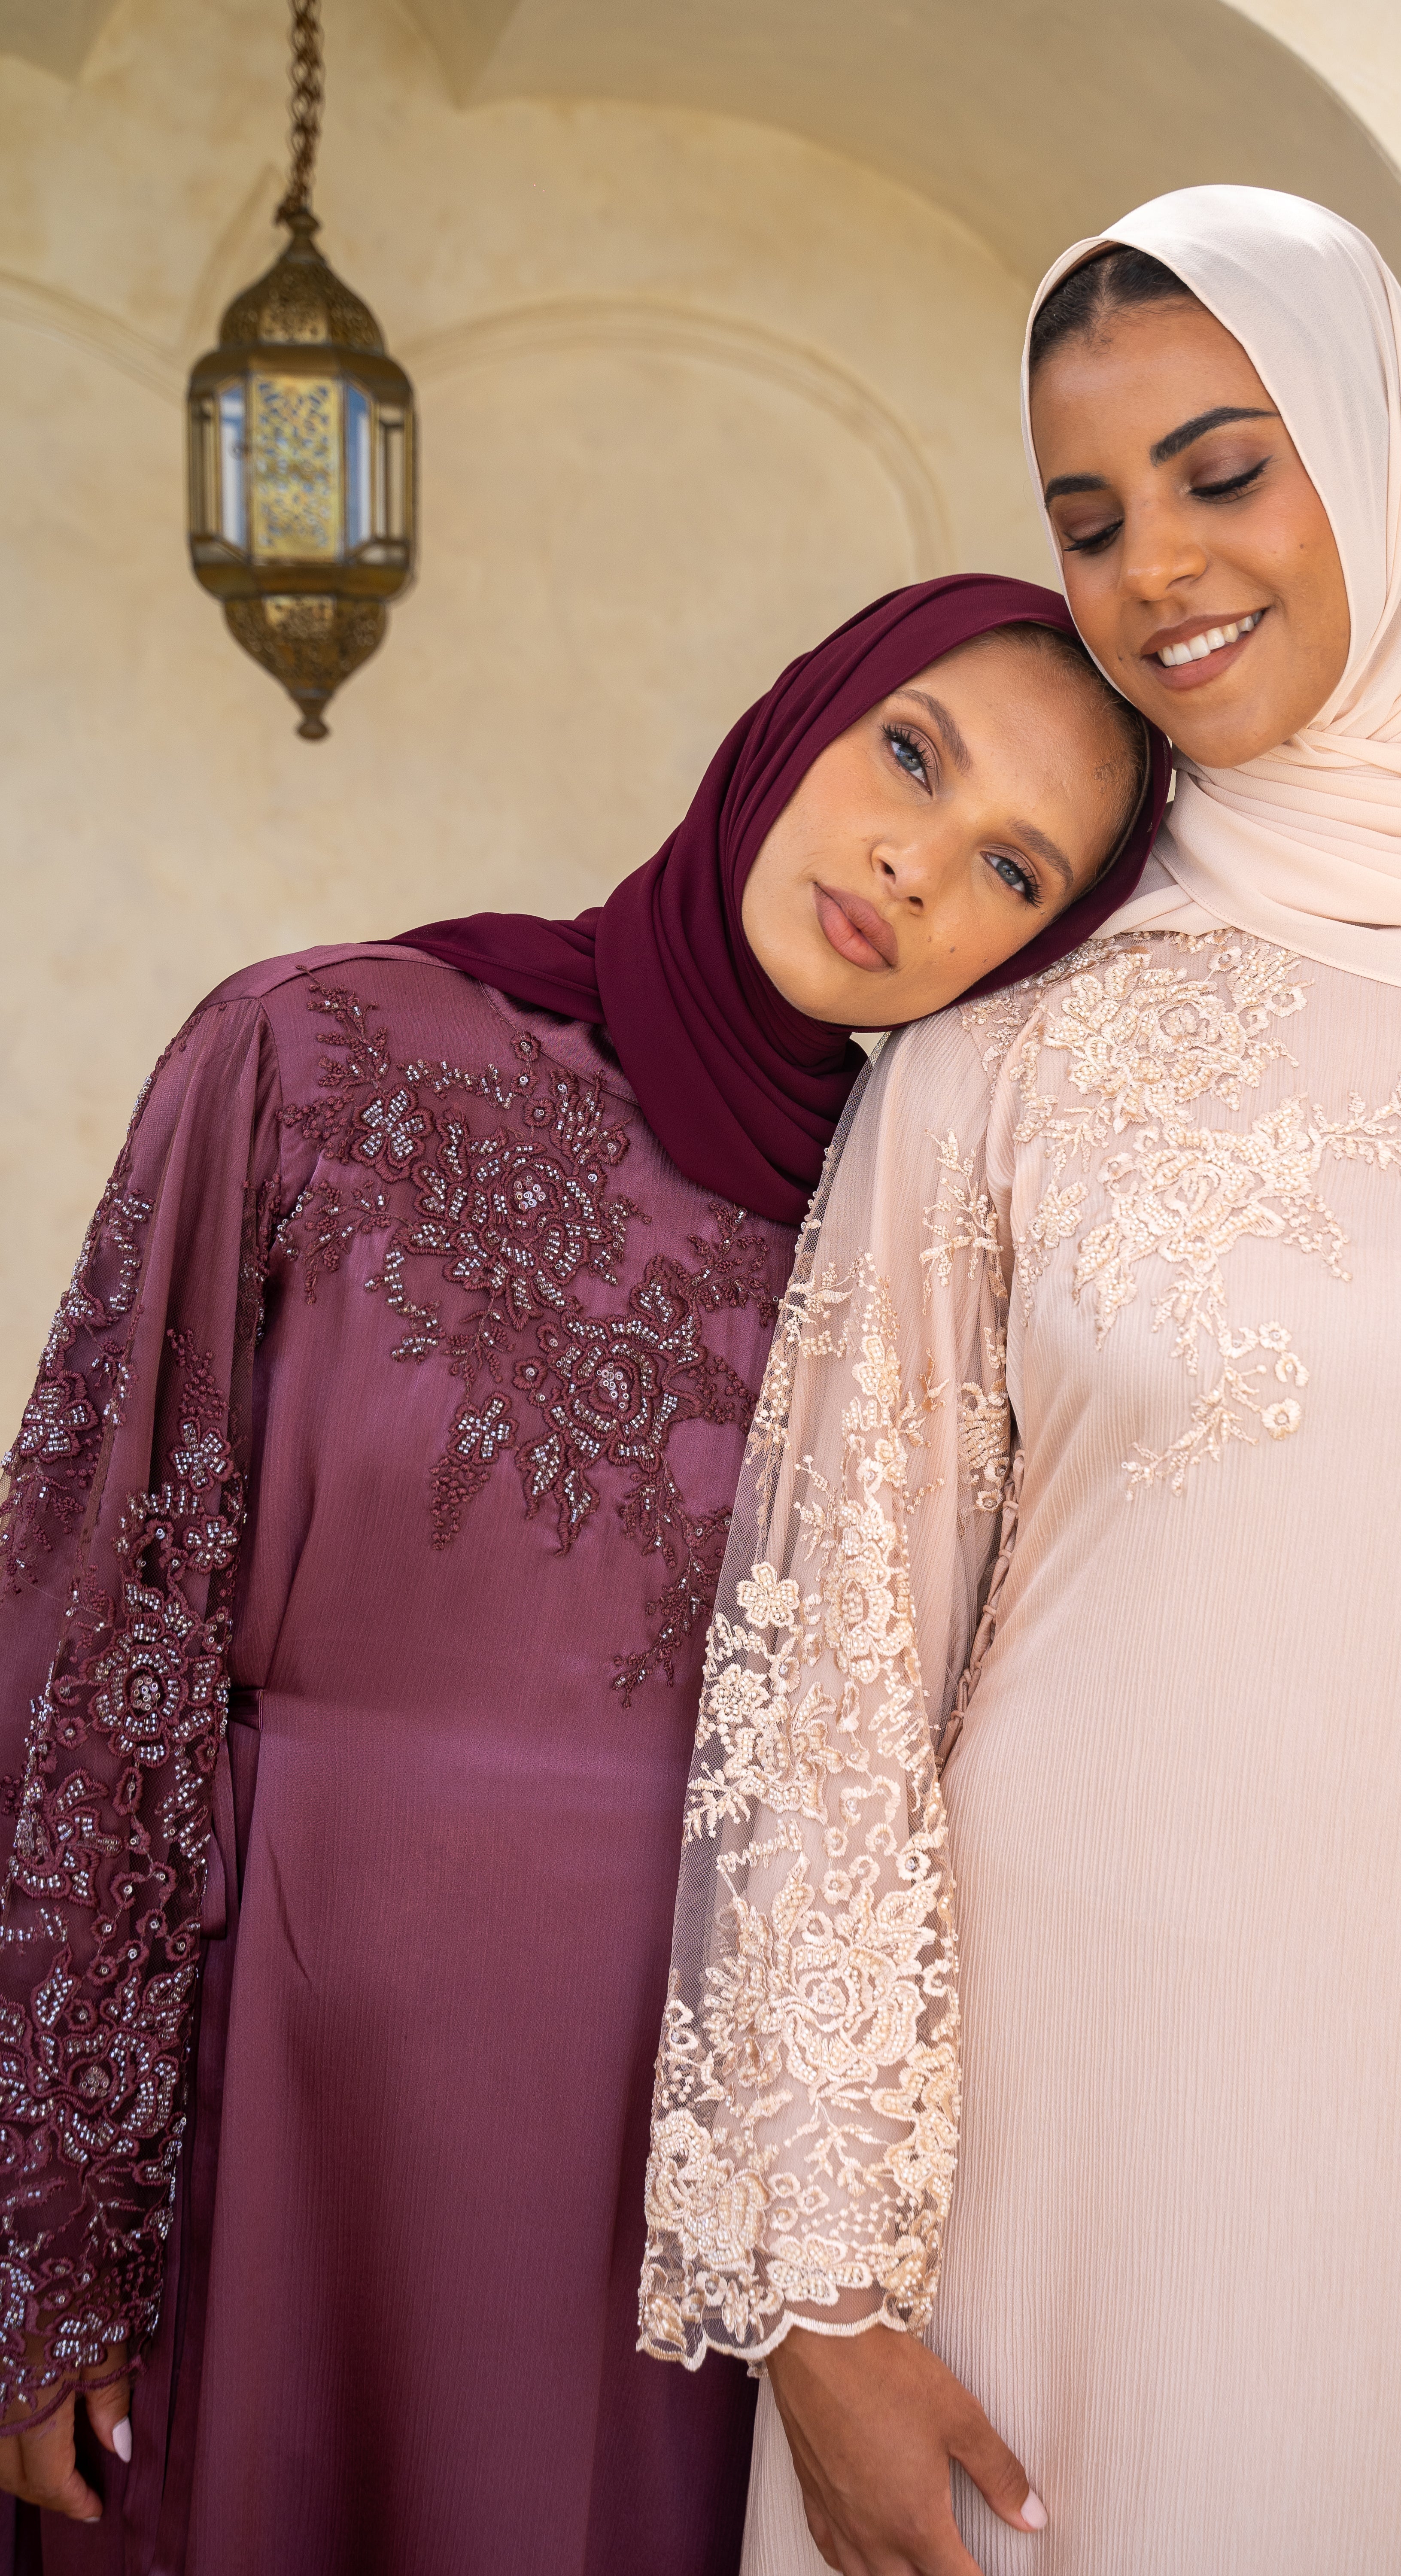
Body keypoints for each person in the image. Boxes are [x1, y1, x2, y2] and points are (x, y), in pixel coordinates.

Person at [638, 194, 1401, 2576]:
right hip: (1026, 2160)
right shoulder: (1008, 1033)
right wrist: (821, 2293)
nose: (1154, 572)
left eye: (1223, 473)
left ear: (1392, 459)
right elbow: (836, 1670)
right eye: (1089, 515)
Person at [0, 573, 1165, 2576]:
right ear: (798, 721)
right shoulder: (317, 1050)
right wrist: (44, 2227)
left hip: (668, 2197)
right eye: (908, 754)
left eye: (1011, 868)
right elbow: (94, 1626)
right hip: (268, 2101)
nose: (912, 860)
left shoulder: (939, 1263)